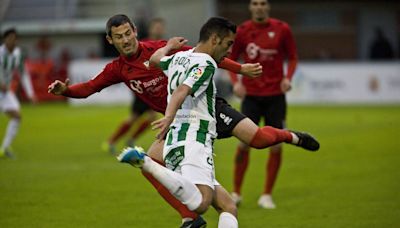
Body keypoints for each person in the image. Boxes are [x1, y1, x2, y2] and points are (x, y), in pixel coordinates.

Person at [48, 14, 318, 227]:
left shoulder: (160, 50)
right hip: (177, 124)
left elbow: (205, 53)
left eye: (128, 33)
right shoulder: (117, 69)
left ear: (135, 31)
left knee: (257, 139)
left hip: (205, 109)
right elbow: (90, 87)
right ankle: (189, 217)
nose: (126, 40)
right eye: (119, 37)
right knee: (152, 163)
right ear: (110, 41)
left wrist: (240, 69)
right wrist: (66, 91)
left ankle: (291, 136)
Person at [119, 17, 241, 227]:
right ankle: (147, 163)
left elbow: (156, 60)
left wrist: (168, 46)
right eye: (228, 44)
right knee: (201, 204)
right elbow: (182, 90)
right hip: (195, 139)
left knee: (228, 206)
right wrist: (167, 116)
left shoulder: (180, 57)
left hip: (176, 140)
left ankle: (150, 164)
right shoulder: (206, 63)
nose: (230, 50)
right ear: (214, 39)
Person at [228, 0, 304, 209]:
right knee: (244, 143)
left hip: (275, 96)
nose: (259, 6)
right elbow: (232, 59)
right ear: (250, 7)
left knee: (277, 145)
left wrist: (288, 77)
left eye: (262, 3)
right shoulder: (242, 31)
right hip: (251, 97)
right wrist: (236, 83)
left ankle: (267, 194)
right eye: (255, 3)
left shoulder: (282, 29)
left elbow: (293, 57)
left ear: (268, 6)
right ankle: (236, 192)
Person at [103, 18, 165, 154]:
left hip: (154, 88)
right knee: (135, 118)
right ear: (151, 29)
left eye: (160, 27)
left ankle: (129, 140)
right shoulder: (142, 43)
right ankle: (111, 142)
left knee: (150, 117)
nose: (158, 30)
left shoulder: (161, 45)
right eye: (156, 27)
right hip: (143, 88)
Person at [0, 28, 36, 158]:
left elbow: (23, 74)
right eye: (10, 38)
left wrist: (30, 93)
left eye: (15, 38)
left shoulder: (17, 54)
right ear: (5, 39)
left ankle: (4, 148)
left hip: (5, 93)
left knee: (17, 116)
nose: (12, 41)